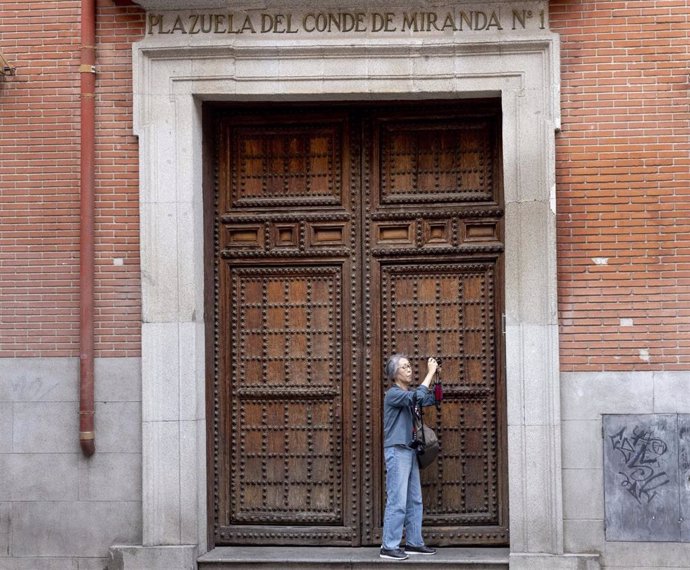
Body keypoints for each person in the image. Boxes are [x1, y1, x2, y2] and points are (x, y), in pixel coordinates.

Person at [380, 354, 439, 561]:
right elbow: (417, 397)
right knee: (397, 500)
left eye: (409, 366)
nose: (409, 369)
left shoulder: (409, 394)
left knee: (414, 499)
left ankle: (414, 542)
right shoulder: (393, 394)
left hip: (410, 450)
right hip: (397, 451)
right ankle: (389, 546)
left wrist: (438, 381)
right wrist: (429, 373)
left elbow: (430, 398)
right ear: (394, 373)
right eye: (404, 367)